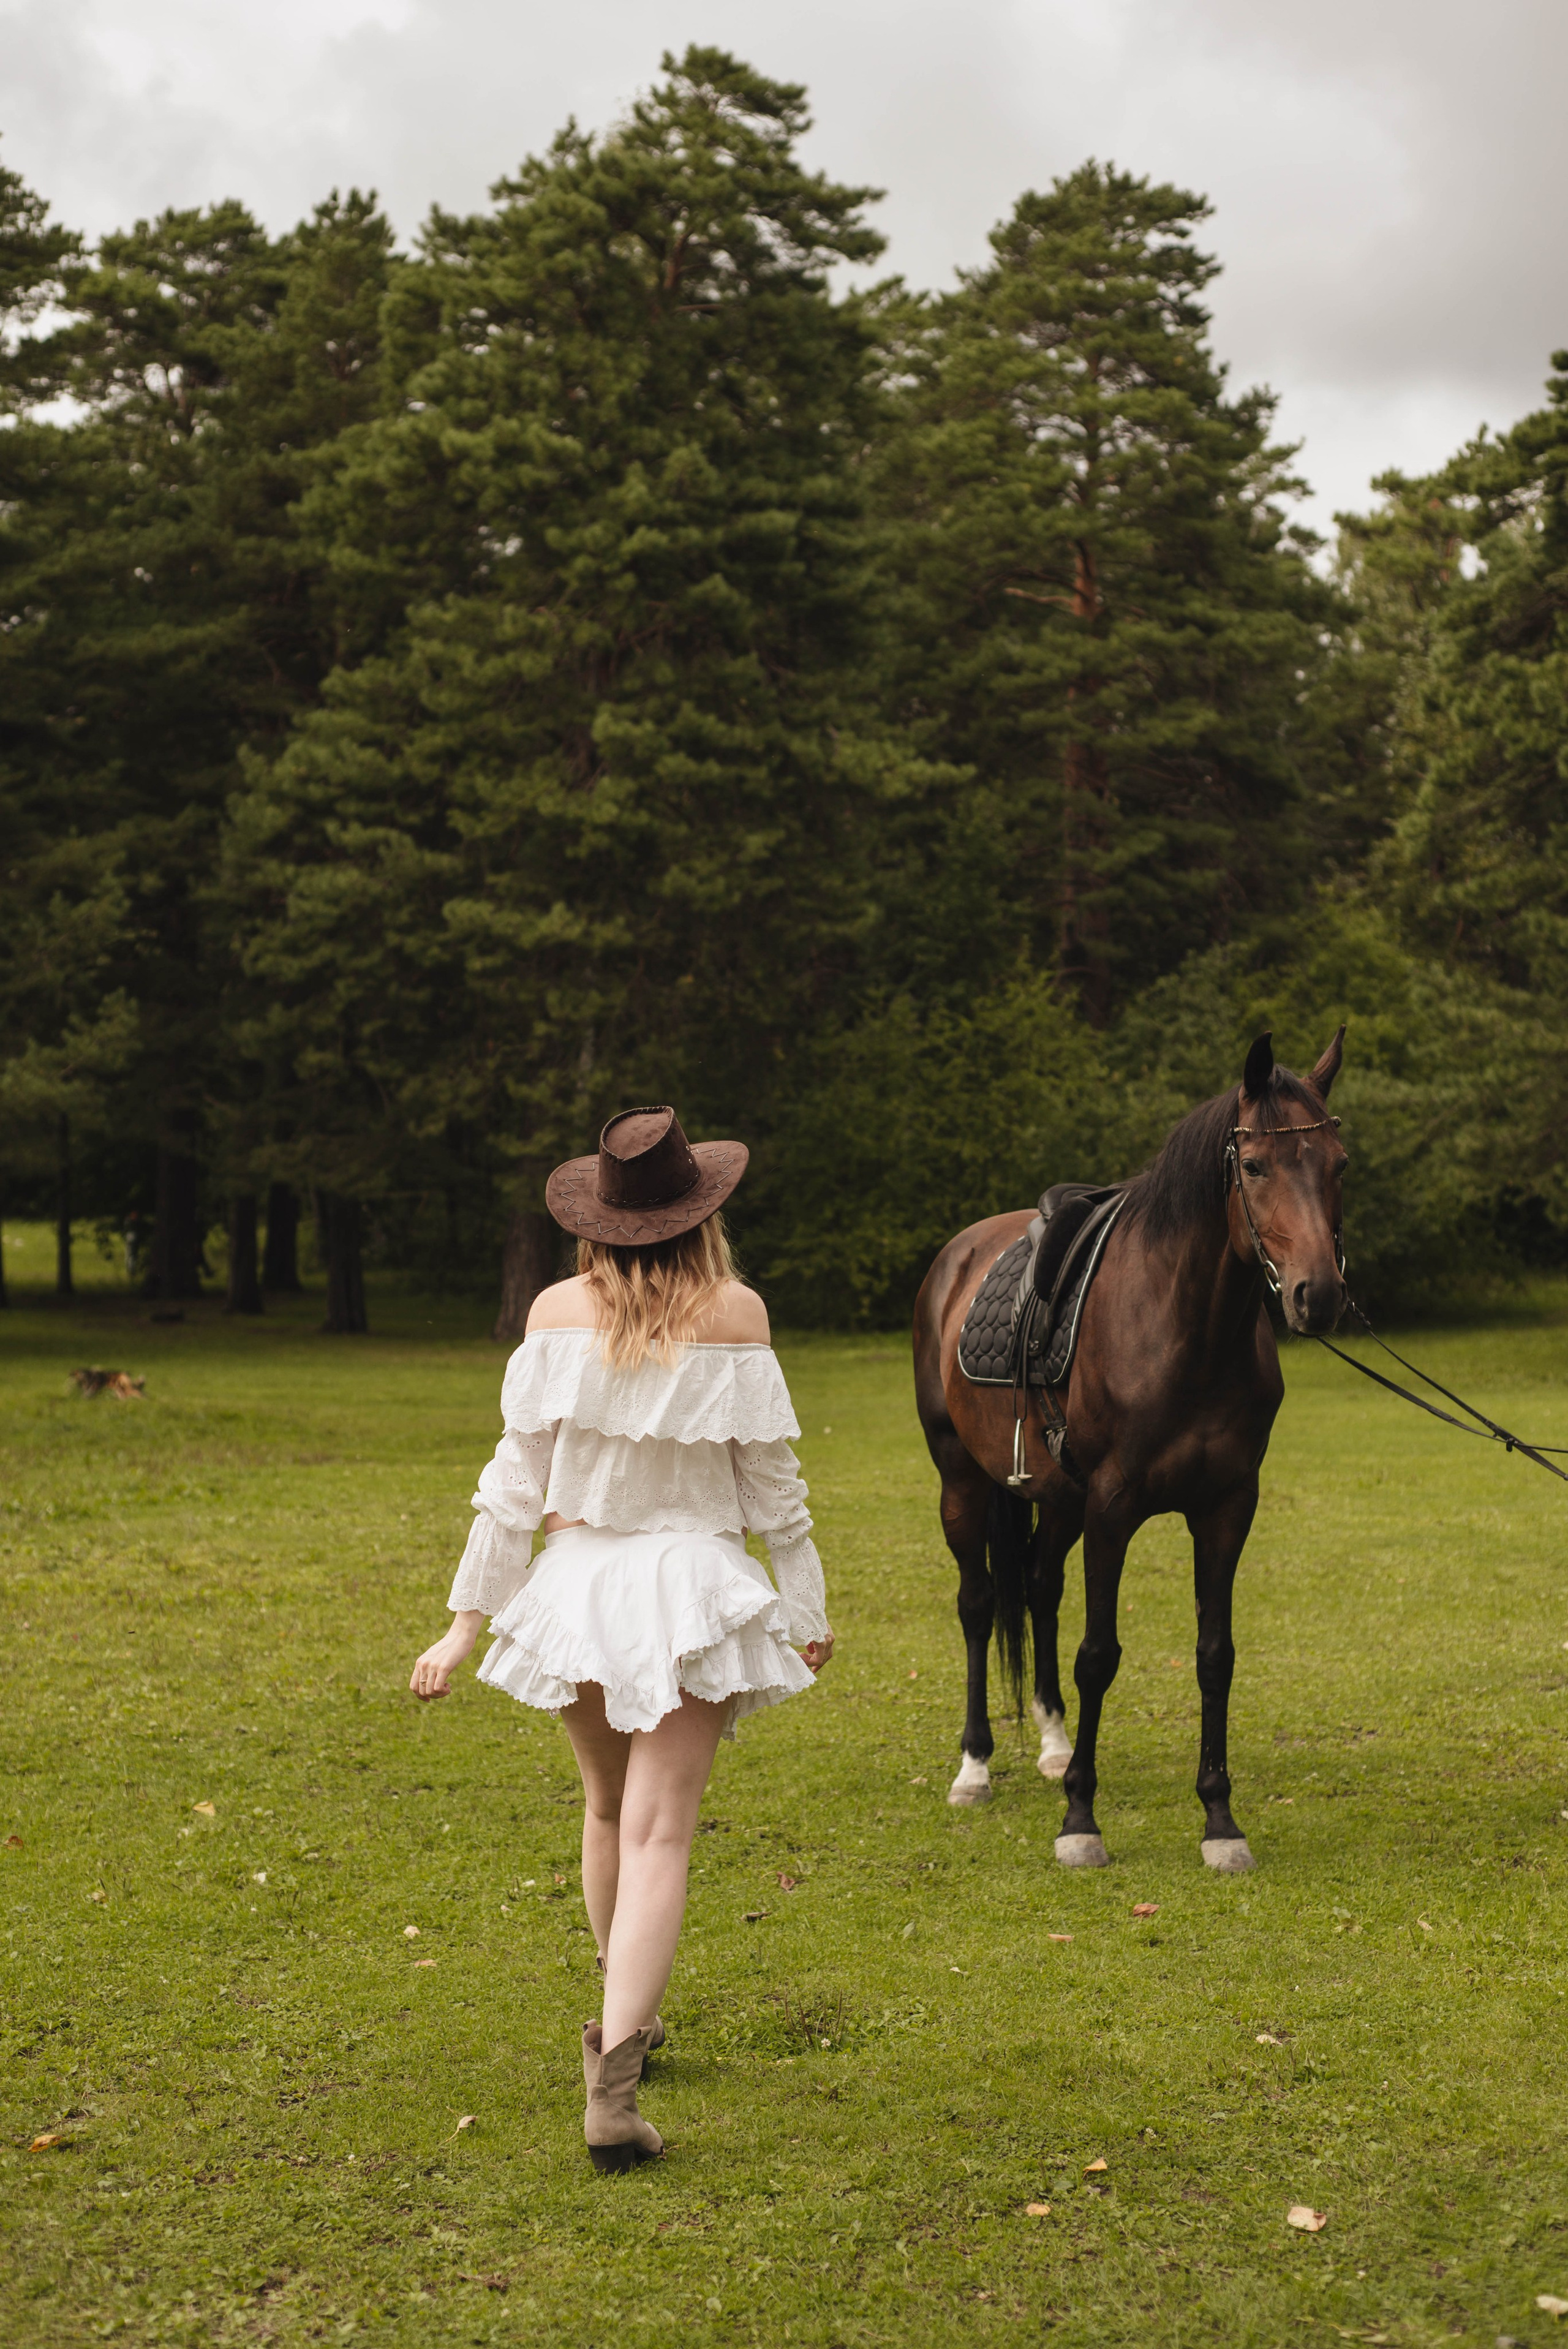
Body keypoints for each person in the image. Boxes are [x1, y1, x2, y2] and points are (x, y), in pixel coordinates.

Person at [409, 1107, 834, 2172]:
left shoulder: (554, 1311)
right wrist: (808, 1607)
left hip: (580, 1590)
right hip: (691, 1587)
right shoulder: (739, 1314)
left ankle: (625, 2018)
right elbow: (773, 1494)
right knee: (660, 1835)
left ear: (600, 1217)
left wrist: (466, 1626)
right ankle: (614, 2085)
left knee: (607, 1811)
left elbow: (513, 1491)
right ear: (701, 1213)